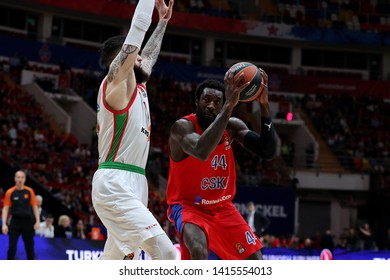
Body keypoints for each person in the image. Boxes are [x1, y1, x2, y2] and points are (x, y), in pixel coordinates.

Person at [92, 0, 176, 260]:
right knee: (166, 255)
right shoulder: (116, 84)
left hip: (136, 182)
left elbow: (148, 57)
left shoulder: (137, 84)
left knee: (118, 262)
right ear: (125, 60)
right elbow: (137, 31)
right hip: (115, 181)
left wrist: (162, 22)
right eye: (136, 56)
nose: (142, 58)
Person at [166, 69, 277, 260]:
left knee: (257, 261)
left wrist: (264, 105)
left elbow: (267, 151)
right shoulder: (182, 127)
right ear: (196, 102)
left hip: (223, 208)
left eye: (217, 102)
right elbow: (202, 151)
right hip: (189, 206)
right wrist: (228, 106)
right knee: (199, 251)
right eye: (206, 100)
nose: (211, 105)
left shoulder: (232, 126)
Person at [1, 170, 40, 259]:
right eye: (18, 177)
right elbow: (5, 208)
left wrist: (37, 221)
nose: (20, 179)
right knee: (12, 247)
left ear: (25, 179)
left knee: (29, 247)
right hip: (15, 222)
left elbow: (35, 207)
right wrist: (4, 224)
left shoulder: (29, 191)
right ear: (15, 179)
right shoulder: (10, 192)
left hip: (28, 222)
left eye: (22, 177)